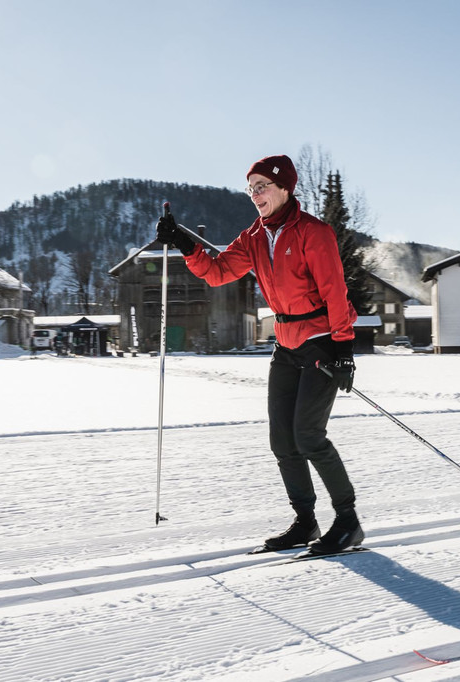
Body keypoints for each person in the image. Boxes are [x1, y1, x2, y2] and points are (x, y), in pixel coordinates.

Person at [155, 154, 364, 555]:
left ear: (285, 187)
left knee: (308, 435)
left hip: (320, 339)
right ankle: (305, 521)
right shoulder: (253, 237)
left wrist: (343, 347)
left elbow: (336, 291)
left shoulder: (313, 233)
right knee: (282, 440)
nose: (255, 195)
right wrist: (183, 240)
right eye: (250, 188)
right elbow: (217, 271)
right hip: (285, 344)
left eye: (262, 186)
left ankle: (348, 521)